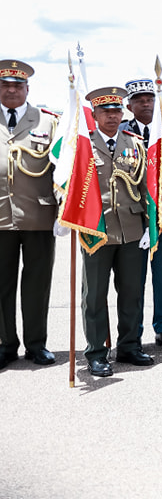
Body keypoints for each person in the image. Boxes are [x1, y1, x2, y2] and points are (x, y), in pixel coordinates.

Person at [79, 87, 153, 376]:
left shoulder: (135, 145)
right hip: (96, 231)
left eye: (116, 111)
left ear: (123, 113)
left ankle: (130, 346)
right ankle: (97, 352)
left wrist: (149, 225)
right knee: (94, 295)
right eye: (105, 112)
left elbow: (145, 188)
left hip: (132, 230)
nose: (112, 116)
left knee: (133, 292)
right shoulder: (84, 144)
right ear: (95, 115)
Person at [0, 59, 58, 370]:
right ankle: (5, 344)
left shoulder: (47, 123)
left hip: (38, 216)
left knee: (37, 284)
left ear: (27, 89)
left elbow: (61, 171)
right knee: (1, 285)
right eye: (5, 85)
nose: (11, 90)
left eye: (17, 85)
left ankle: (37, 344)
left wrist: (65, 210)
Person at [123, 78, 162, 351]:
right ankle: (132, 335)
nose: (146, 103)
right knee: (132, 282)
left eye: (150, 98)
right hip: (132, 217)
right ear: (129, 105)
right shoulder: (122, 132)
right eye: (139, 100)